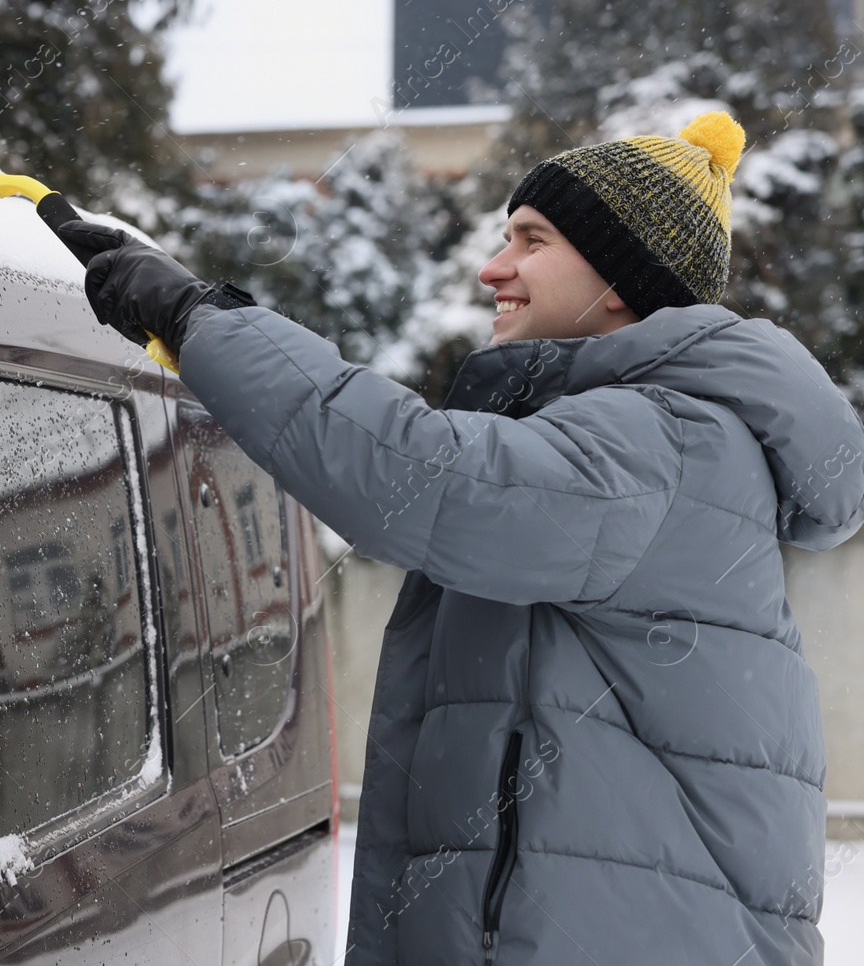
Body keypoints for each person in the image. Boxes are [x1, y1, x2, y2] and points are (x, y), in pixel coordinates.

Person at [62, 111, 864, 966]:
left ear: (623, 277)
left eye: (533, 239)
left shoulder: (657, 444)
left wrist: (199, 317)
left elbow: (413, 477)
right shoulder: (659, 436)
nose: (494, 267)